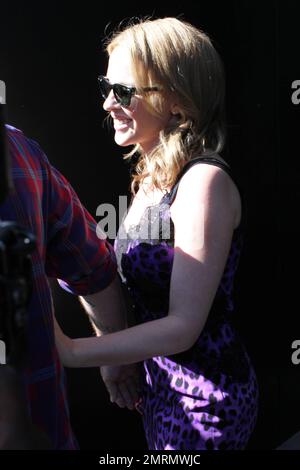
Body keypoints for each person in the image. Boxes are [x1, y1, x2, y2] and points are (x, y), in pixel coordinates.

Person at [55, 17, 259, 450]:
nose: (108, 103)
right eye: (106, 87)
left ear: (178, 104)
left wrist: (71, 351)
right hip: (162, 391)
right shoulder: (153, 179)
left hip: (206, 403)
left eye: (124, 91)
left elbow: (182, 327)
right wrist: (117, 361)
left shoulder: (204, 182)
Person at [0, 123, 139, 449]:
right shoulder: (17, 148)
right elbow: (93, 266)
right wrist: (113, 353)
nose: (108, 104)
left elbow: (92, 266)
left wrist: (108, 351)